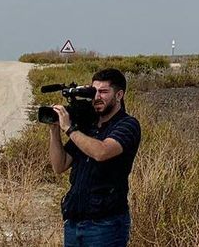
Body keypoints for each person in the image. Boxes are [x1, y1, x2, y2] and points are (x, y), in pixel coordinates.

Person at [47, 68, 142, 247]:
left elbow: (102, 152)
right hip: (74, 221)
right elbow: (59, 165)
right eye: (94, 91)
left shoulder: (127, 125)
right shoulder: (87, 127)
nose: (97, 96)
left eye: (104, 92)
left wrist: (69, 129)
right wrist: (54, 130)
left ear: (119, 94)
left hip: (106, 224)